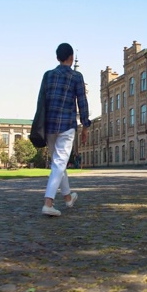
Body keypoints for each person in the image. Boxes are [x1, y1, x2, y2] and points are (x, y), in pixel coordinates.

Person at [40, 43, 91, 217]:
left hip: (49, 125)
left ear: (57, 58)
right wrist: (85, 126)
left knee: (58, 163)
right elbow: (82, 102)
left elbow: (41, 101)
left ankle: (68, 198)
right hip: (67, 125)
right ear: (70, 58)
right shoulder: (76, 76)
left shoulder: (47, 75)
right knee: (59, 163)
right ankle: (48, 202)